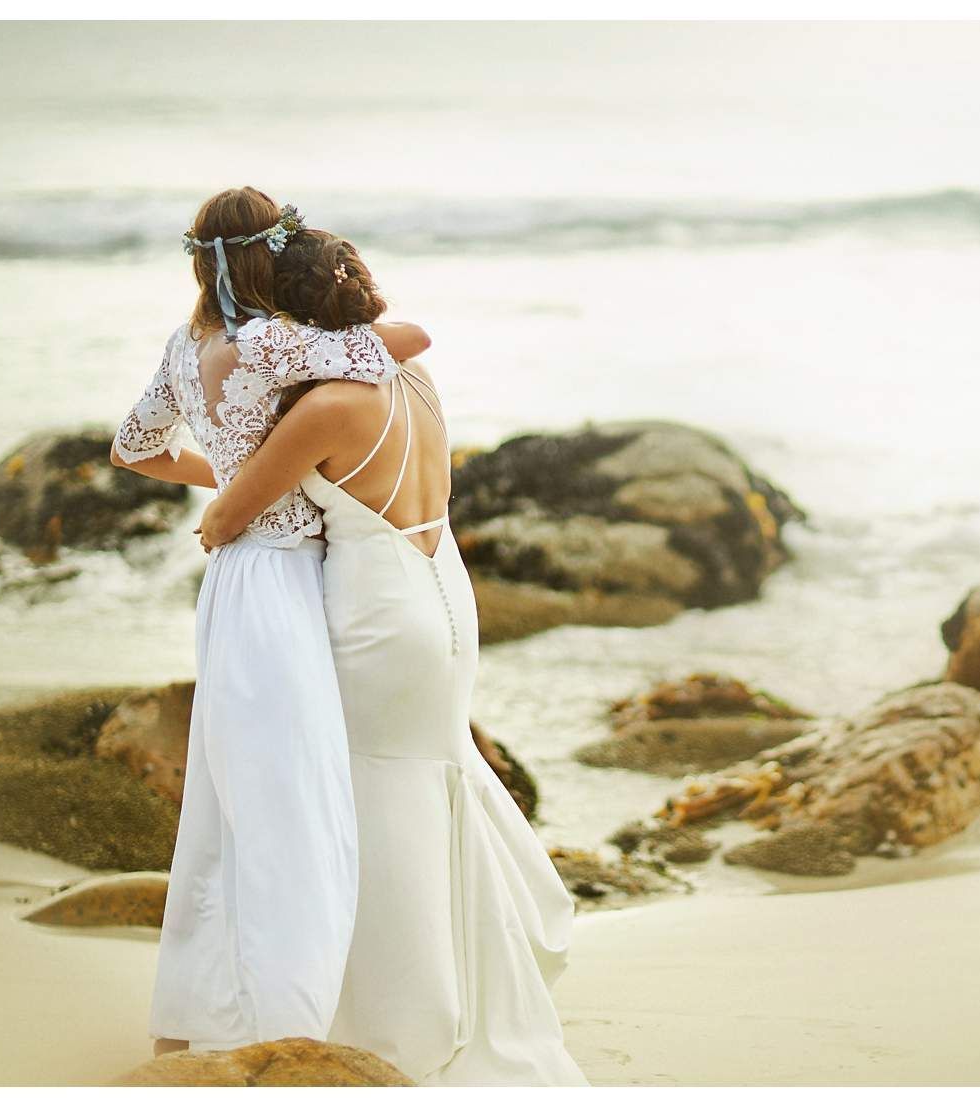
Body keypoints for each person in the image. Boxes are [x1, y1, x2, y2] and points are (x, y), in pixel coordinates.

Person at [197, 228, 587, 1086]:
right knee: (435, 776)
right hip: (443, 588)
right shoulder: (412, 376)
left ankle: (393, 1021)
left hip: (378, 609)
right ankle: (472, 994)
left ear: (298, 318)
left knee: (373, 796)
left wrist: (218, 502)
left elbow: (228, 516)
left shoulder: (325, 410)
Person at [109, 188, 432, 1056]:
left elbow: (133, 448)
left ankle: (199, 1012)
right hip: (285, 581)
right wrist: (258, 477)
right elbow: (407, 341)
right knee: (293, 800)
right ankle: (285, 1024)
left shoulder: (185, 344)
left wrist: (232, 477)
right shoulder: (272, 341)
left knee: (229, 801)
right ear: (267, 253)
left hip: (230, 582)